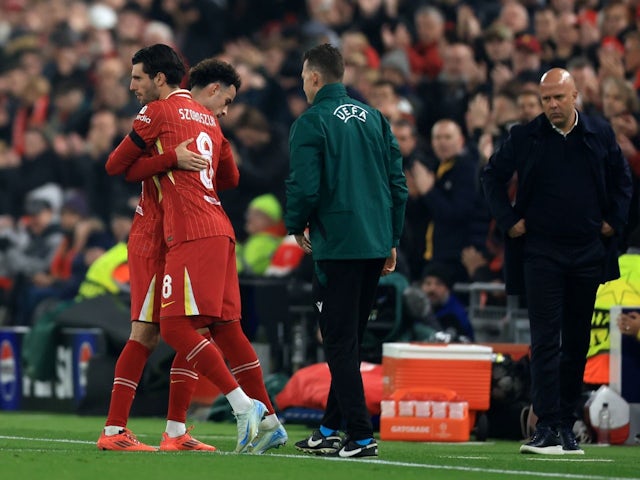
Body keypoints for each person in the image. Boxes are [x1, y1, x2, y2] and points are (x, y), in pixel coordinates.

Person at [99, 45, 271, 454]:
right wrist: (171, 159)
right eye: (226, 101)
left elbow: (224, 176)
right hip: (153, 237)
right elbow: (119, 167)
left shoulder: (188, 118)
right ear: (210, 90)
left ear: (160, 78)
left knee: (188, 328)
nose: (132, 85)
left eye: (138, 77)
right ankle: (114, 429)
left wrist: (176, 159)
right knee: (147, 333)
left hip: (179, 237)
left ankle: (176, 432)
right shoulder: (177, 118)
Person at [481, 68, 633, 455]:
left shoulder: (599, 133)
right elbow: (491, 177)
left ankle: (565, 424)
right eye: (546, 99)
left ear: (575, 96)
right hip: (541, 253)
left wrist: (614, 222)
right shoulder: (525, 135)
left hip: (586, 254)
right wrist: (509, 220)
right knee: (545, 340)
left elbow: (623, 181)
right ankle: (546, 424)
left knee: (577, 342)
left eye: (558, 98)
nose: (551, 105)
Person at [286, 43, 408, 459]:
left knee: (338, 342)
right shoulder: (376, 119)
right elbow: (398, 185)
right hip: (374, 242)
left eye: (304, 76)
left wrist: (294, 223)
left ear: (315, 77)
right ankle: (329, 427)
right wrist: (392, 237)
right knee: (350, 341)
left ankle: (359, 435)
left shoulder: (312, 122)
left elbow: (305, 186)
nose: (303, 83)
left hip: (337, 245)